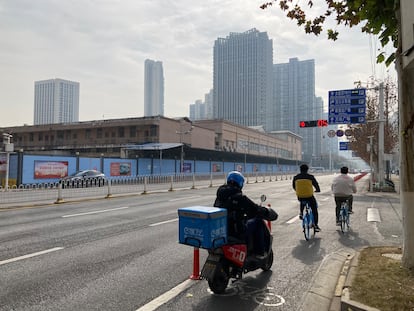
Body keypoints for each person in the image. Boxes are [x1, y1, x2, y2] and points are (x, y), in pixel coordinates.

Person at [214, 171, 277, 257]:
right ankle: (259, 252)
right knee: (258, 221)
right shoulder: (240, 197)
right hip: (236, 231)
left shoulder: (220, 196)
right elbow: (255, 209)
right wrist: (265, 211)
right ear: (240, 183)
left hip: (221, 230)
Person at [292, 164, 321, 231]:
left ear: (300, 169)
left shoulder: (296, 177)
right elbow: (316, 184)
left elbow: (294, 186)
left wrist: (298, 191)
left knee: (302, 201)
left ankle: (301, 213)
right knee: (314, 210)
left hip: (300, 196)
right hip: (309, 196)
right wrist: (317, 190)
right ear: (307, 170)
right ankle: (315, 225)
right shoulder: (310, 177)